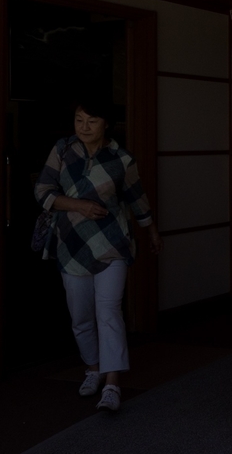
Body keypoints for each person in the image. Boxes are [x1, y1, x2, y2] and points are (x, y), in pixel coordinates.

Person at [34, 96, 161, 412]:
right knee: (81, 316)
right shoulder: (63, 149)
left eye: (91, 121)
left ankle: (113, 384)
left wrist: (151, 229)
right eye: (79, 120)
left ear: (107, 124)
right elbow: (43, 191)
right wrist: (78, 205)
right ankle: (93, 368)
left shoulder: (122, 158)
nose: (84, 127)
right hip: (71, 243)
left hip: (112, 243)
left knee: (109, 311)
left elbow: (136, 196)